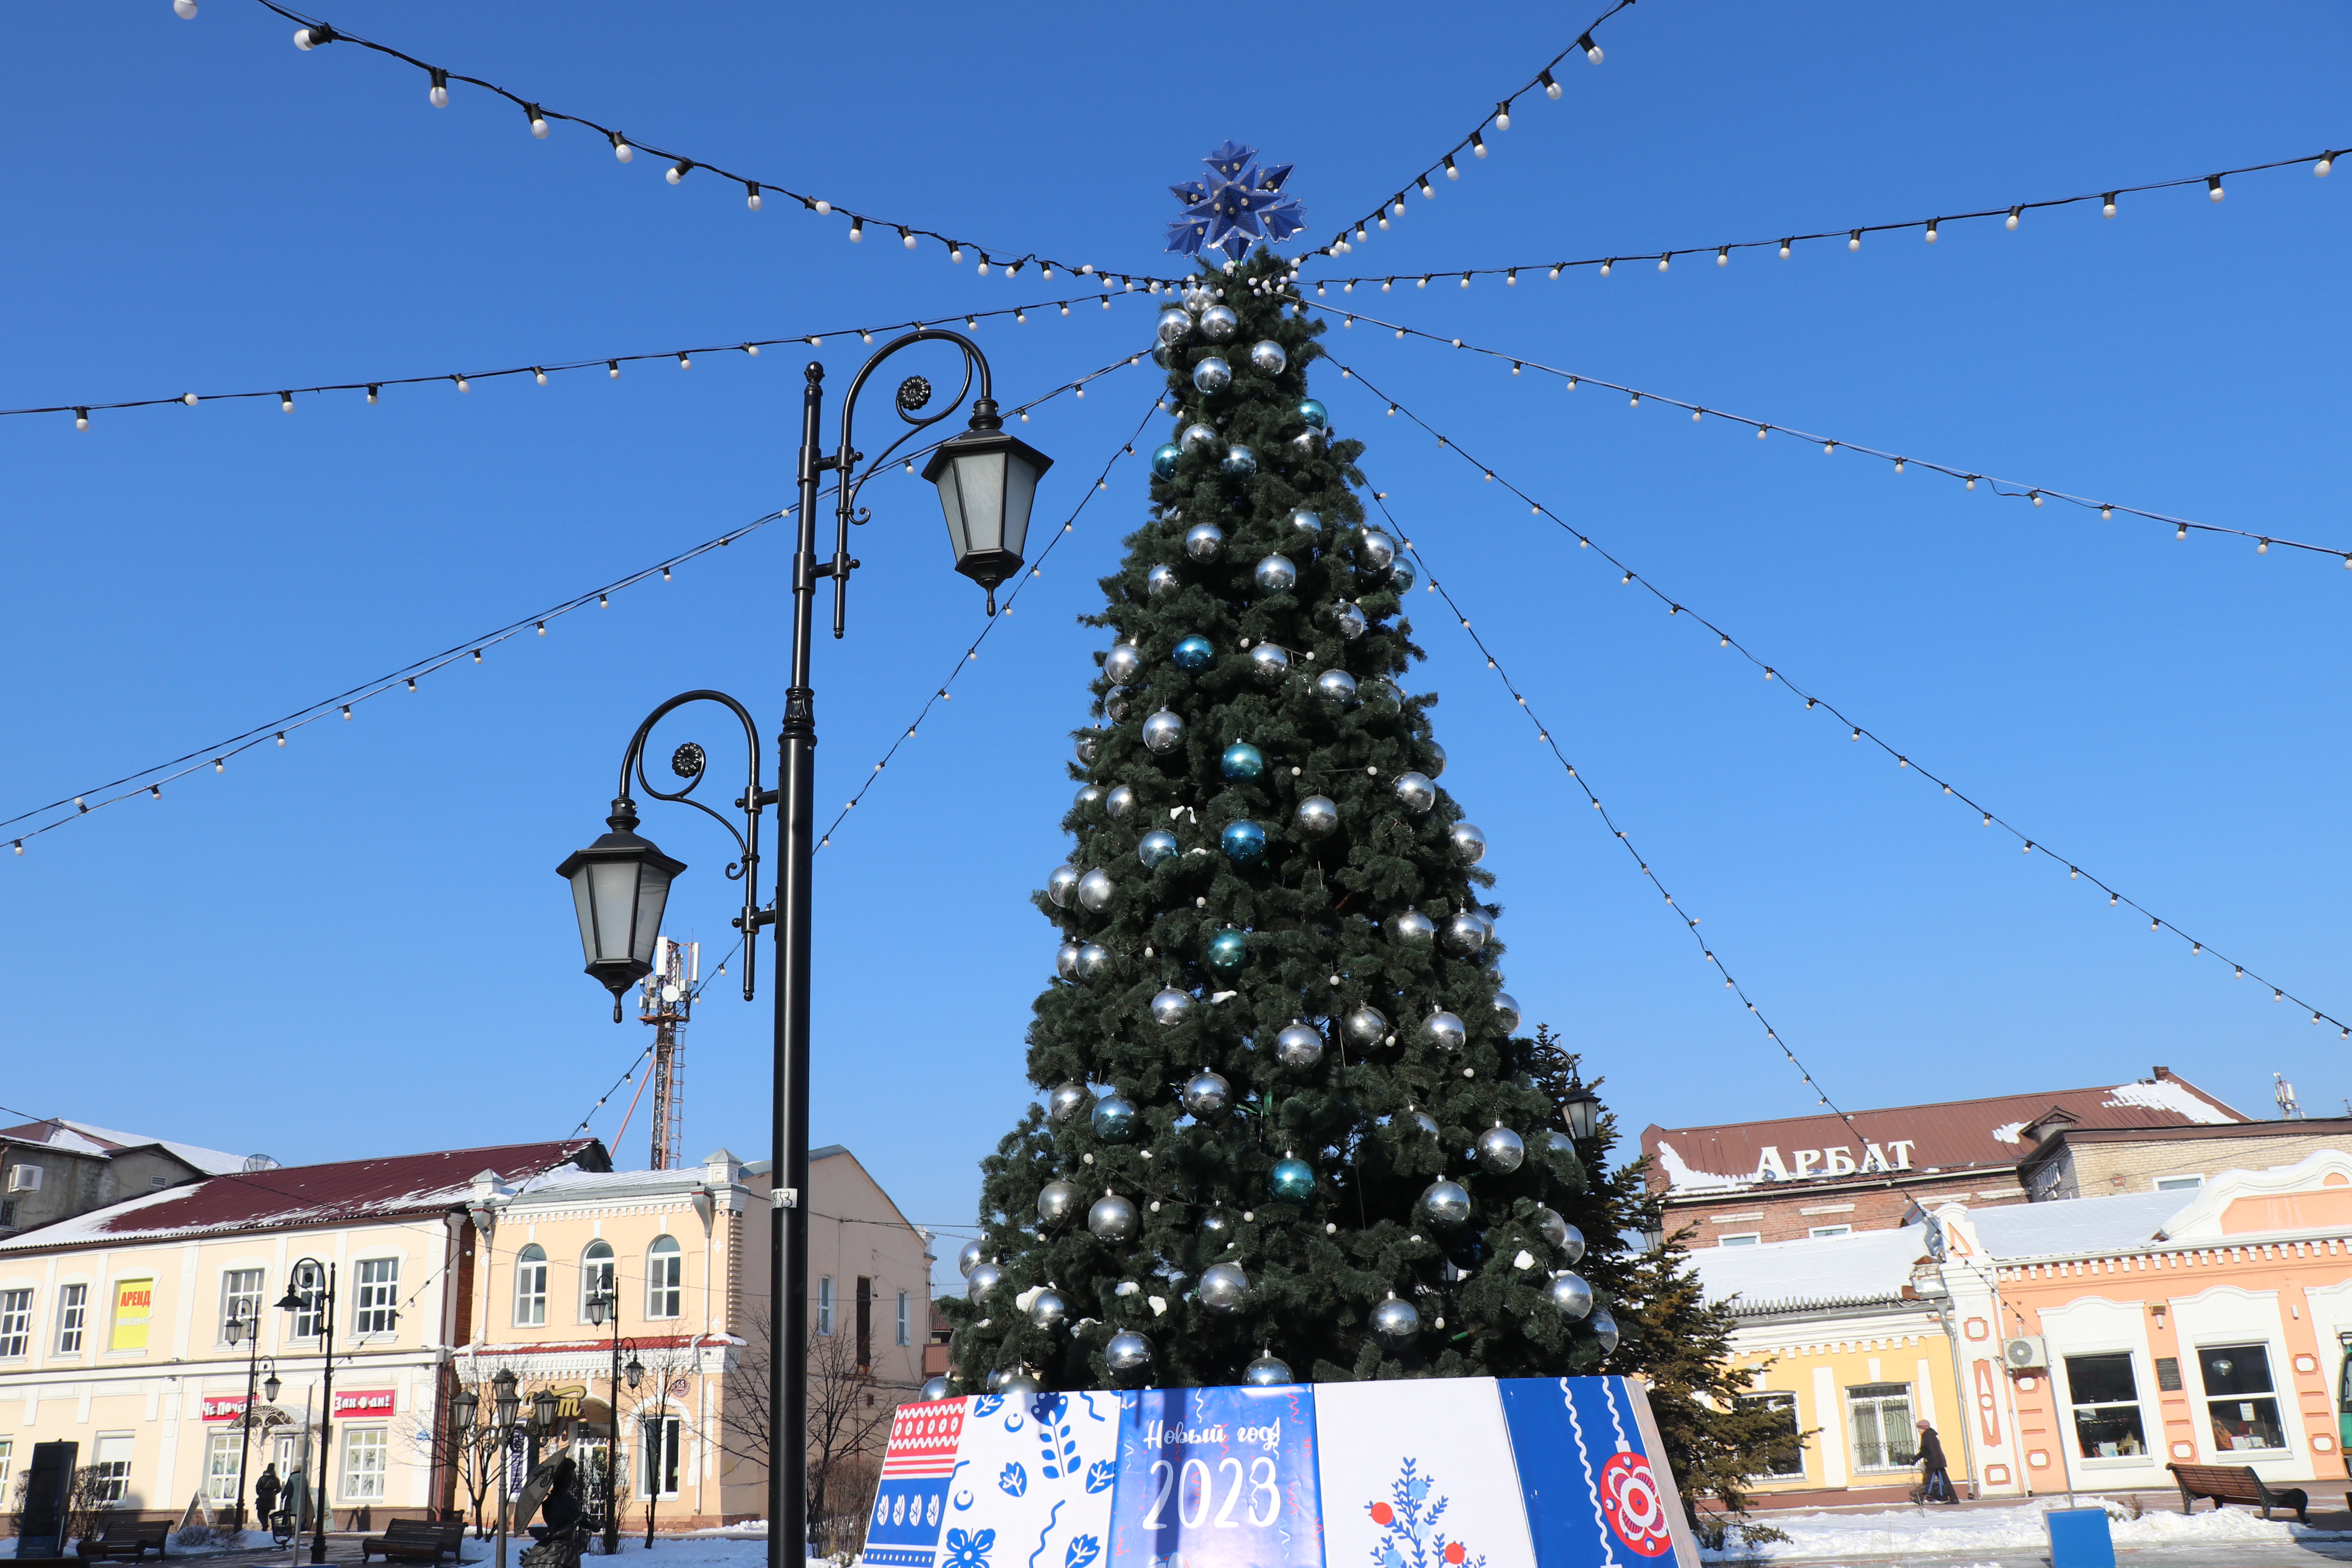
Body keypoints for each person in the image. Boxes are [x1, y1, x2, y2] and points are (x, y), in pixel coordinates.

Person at [1915, 1418, 1959, 1504]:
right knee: (1946, 1481)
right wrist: (1915, 1459)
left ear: (1923, 1428)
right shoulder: (1931, 1436)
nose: (1918, 1431)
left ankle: (1919, 1498)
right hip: (1938, 1462)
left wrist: (1931, 1462)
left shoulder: (1927, 1437)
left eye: (1919, 1429)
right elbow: (1926, 1451)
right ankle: (1954, 1499)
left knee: (1927, 1481)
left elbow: (1930, 1451)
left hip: (1933, 1463)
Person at [252, 1464, 281, 1534]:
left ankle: (265, 1525)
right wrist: (274, 1493)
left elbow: (258, 1488)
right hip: (272, 1497)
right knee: (266, 1512)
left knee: (260, 1513)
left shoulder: (262, 1478)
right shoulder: (276, 1479)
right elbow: (279, 1489)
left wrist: (260, 1494)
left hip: (263, 1496)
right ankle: (265, 1526)